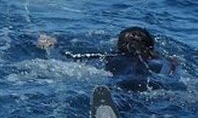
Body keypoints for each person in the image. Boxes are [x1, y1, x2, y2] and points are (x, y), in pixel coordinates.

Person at [49, 26, 181, 91]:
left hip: (121, 83)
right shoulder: (165, 61)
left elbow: (72, 57)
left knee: (122, 100)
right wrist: (175, 63)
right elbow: (173, 73)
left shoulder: (109, 56)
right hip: (153, 85)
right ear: (151, 47)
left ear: (118, 45)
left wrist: (54, 46)